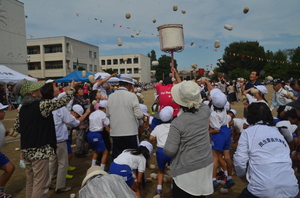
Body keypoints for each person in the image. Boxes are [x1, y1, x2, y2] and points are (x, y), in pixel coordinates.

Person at [12, 79, 79, 198]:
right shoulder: (42, 105)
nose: (40, 90)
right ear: (32, 94)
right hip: (39, 149)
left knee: (31, 181)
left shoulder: (22, 109)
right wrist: (72, 88)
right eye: (37, 89)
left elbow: (17, 127)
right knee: (41, 184)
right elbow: (62, 102)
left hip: (27, 149)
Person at [234, 102, 299, 198]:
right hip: (290, 187)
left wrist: (241, 174)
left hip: (263, 188)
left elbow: (240, 159)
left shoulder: (248, 132)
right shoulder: (277, 132)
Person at [164, 81, 214, 198]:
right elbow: (200, 104)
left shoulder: (178, 123)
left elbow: (170, 150)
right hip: (205, 162)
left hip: (185, 167)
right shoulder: (204, 110)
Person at [40, 81, 81, 194]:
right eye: (55, 87)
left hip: (49, 138)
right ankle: (60, 186)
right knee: (62, 163)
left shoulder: (43, 104)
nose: (58, 89)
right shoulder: (58, 106)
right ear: (51, 92)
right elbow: (70, 120)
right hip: (59, 137)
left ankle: (46, 184)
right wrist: (79, 122)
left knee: (52, 162)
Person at [204, 80, 235, 193]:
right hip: (226, 131)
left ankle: (213, 180)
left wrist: (208, 133)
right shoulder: (224, 108)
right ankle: (230, 177)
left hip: (219, 133)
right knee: (227, 157)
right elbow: (214, 93)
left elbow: (215, 129)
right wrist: (208, 83)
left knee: (215, 157)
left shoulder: (213, 113)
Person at [106, 74, 143, 159]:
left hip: (116, 131)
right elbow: (139, 115)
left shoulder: (111, 96)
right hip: (130, 132)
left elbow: (107, 114)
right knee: (132, 156)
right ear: (128, 84)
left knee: (118, 157)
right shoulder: (132, 96)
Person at [149, 106, 174, 197]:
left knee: (160, 170)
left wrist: (155, 140)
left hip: (160, 151)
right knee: (173, 170)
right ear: (171, 117)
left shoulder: (158, 127)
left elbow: (151, 137)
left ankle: (159, 189)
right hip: (171, 149)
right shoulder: (173, 126)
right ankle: (172, 188)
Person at [88, 100, 110, 169]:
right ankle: (102, 168)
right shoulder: (103, 114)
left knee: (97, 150)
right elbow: (106, 127)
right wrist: (112, 134)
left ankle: (93, 165)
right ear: (105, 108)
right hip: (97, 134)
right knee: (105, 152)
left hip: (90, 134)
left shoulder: (93, 113)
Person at [0, 103, 15, 198]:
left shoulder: (1, 122)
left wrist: (8, 133)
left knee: (10, 168)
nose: (4, 112)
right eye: (1, 111)